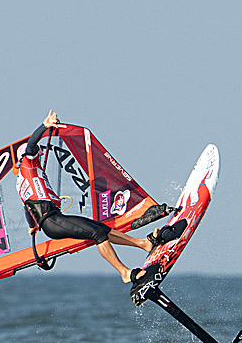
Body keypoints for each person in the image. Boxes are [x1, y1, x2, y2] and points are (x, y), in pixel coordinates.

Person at [17, 110, 184, 284]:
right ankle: (125, 273)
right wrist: (44, 126)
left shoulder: (24, 179)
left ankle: (144, 244)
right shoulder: (27, 165)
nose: (40, 155)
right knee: (97, 234)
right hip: (52, 221)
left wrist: (32, 226)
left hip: (52, 220)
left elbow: (27, 206)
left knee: (100, 228)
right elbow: (30, 145)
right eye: (38, 153)